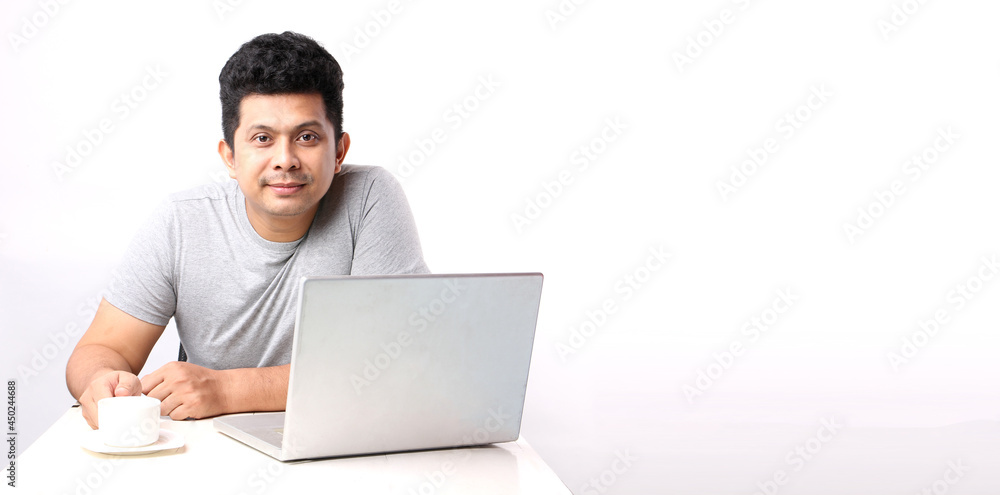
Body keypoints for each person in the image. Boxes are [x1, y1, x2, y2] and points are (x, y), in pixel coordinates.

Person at [65, 32, 428, 429]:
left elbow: (394, 363)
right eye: (262, 139)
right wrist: (102, 380)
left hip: (339, 438)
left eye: (306, 137)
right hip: (207, 449)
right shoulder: (181, 222)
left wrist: (227, 390)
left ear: (338, 151)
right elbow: (102, 348)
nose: (285, 160)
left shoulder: (370, 198)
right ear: (230, 157)